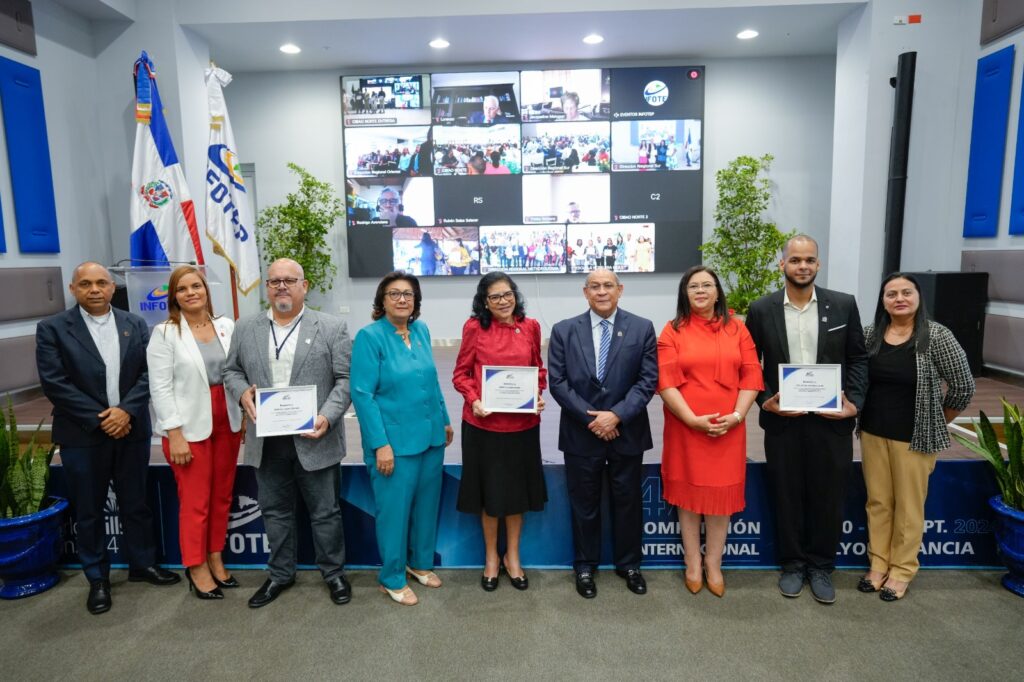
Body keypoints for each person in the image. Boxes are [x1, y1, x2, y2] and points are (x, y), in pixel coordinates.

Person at [35, 262, 180, 615]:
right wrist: (103, 419)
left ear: (113, 288)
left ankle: (142, 566)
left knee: (136, 502)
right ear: (73, 289)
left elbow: (150, 372)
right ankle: (97, 578)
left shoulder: (134, 324)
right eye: (86, 284)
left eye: (102, 282)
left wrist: (126, 411)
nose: (95, 289)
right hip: (83, 435)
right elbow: (55, 383)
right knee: (89, 509)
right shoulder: (52, 328)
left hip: (130, 429)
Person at [745, 234, 868, 604]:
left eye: (809, 260)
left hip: (832, 420)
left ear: (818, 265)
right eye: (795, 260)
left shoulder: (843, 305)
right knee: (786, 492)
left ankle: (821, 566)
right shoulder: (762, 308)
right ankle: (793, 565)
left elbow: (859, 358)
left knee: (828, 494)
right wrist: (766, 401)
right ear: (782, 264)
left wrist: (855, 402)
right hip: (784, 420)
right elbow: (750, 365)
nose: (802, 266)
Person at [223, 258, 354, 608]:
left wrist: (327, 416)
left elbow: (345, 380)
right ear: (266, 287)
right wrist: (241, 392)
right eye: (274, 281)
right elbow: (231, 370)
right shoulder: (245, 327)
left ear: (304, 285)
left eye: (289, 280)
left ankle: (334, 573)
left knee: (325, 512)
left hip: (316, 437)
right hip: (266, 441)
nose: (281, 286)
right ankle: (280, 574)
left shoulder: (331, 327)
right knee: (275, 512)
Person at [858, 273, 975, 601]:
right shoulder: (871, 335)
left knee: (909, 507)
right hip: (872, 433)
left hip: (915, 438)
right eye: (891, 293)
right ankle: (878, 565)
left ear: (918, 297)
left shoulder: (937, 336)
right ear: (882, 300)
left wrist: (938, 420)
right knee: (878, 503)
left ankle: (902, 571)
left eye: (906, 292)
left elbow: (963, 386)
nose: (899, 298)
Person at [548, 269, 657, 598]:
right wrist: (593, 419)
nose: (601, 291)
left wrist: (616, 416)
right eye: (594, 286)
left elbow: (647, 381)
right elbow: (558, 383)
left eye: (608, 285)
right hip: (582, 434)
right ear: (585, 293)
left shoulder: (642, 328)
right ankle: (585, 565)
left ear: (620, 290)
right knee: (584, 504)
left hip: (627, 432)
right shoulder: (564, 331)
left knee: (628, 502)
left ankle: (630, 565)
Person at [657, 267, 762, 597]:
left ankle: (713, 563)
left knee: (720, 499)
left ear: (718, 292)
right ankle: (692, 563)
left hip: (728, 429)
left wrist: (737, 415)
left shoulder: (739, 330)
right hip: (685, 427)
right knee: (688, 499)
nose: (700, 291)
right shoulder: (672, 331)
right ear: (684, 294)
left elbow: (751, 376)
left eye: (707, 285)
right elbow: (666, 382)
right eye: (693, 286)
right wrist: (691, 419)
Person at [351, 272, 454, 606]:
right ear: (382, 300)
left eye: (408, 294)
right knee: (394, 514)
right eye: (393, 294)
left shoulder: (421, 331)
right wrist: (380, 444)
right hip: (393, 445)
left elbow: (432, 380)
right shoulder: (370, 337)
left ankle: (420, 563)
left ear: (416, 301)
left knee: (426, 508)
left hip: (430, 437)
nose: (401, 299)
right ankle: (392, 577)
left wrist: (445, 419)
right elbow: (362, 394)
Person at [147, 265, 243, 599]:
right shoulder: (164, 333)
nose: (191, 293)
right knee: (195, 501)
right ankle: (195, 565)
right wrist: (173, 432)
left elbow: (237, 372)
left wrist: (242, 415)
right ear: (174, 296)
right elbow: (159, 388)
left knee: (221, 496)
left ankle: (215, 556)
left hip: (227, 420)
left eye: (196, 286)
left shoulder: (226, 326)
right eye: (183, 289)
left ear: (206, 289)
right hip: (187, 427)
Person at [453, 272, 547, 591]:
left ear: (515, 295)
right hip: (483, 426)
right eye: (495, 297)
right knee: (489, 495)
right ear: (484, 302)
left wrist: (537, 396)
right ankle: (492, 557)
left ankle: (513, 557)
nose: (503, 301)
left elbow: (539, 370)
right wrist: (475, 400)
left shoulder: (531, 326)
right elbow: (461, 373)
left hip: (522, 426)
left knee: (517, 494)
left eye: (507, 294)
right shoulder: (473, 328)